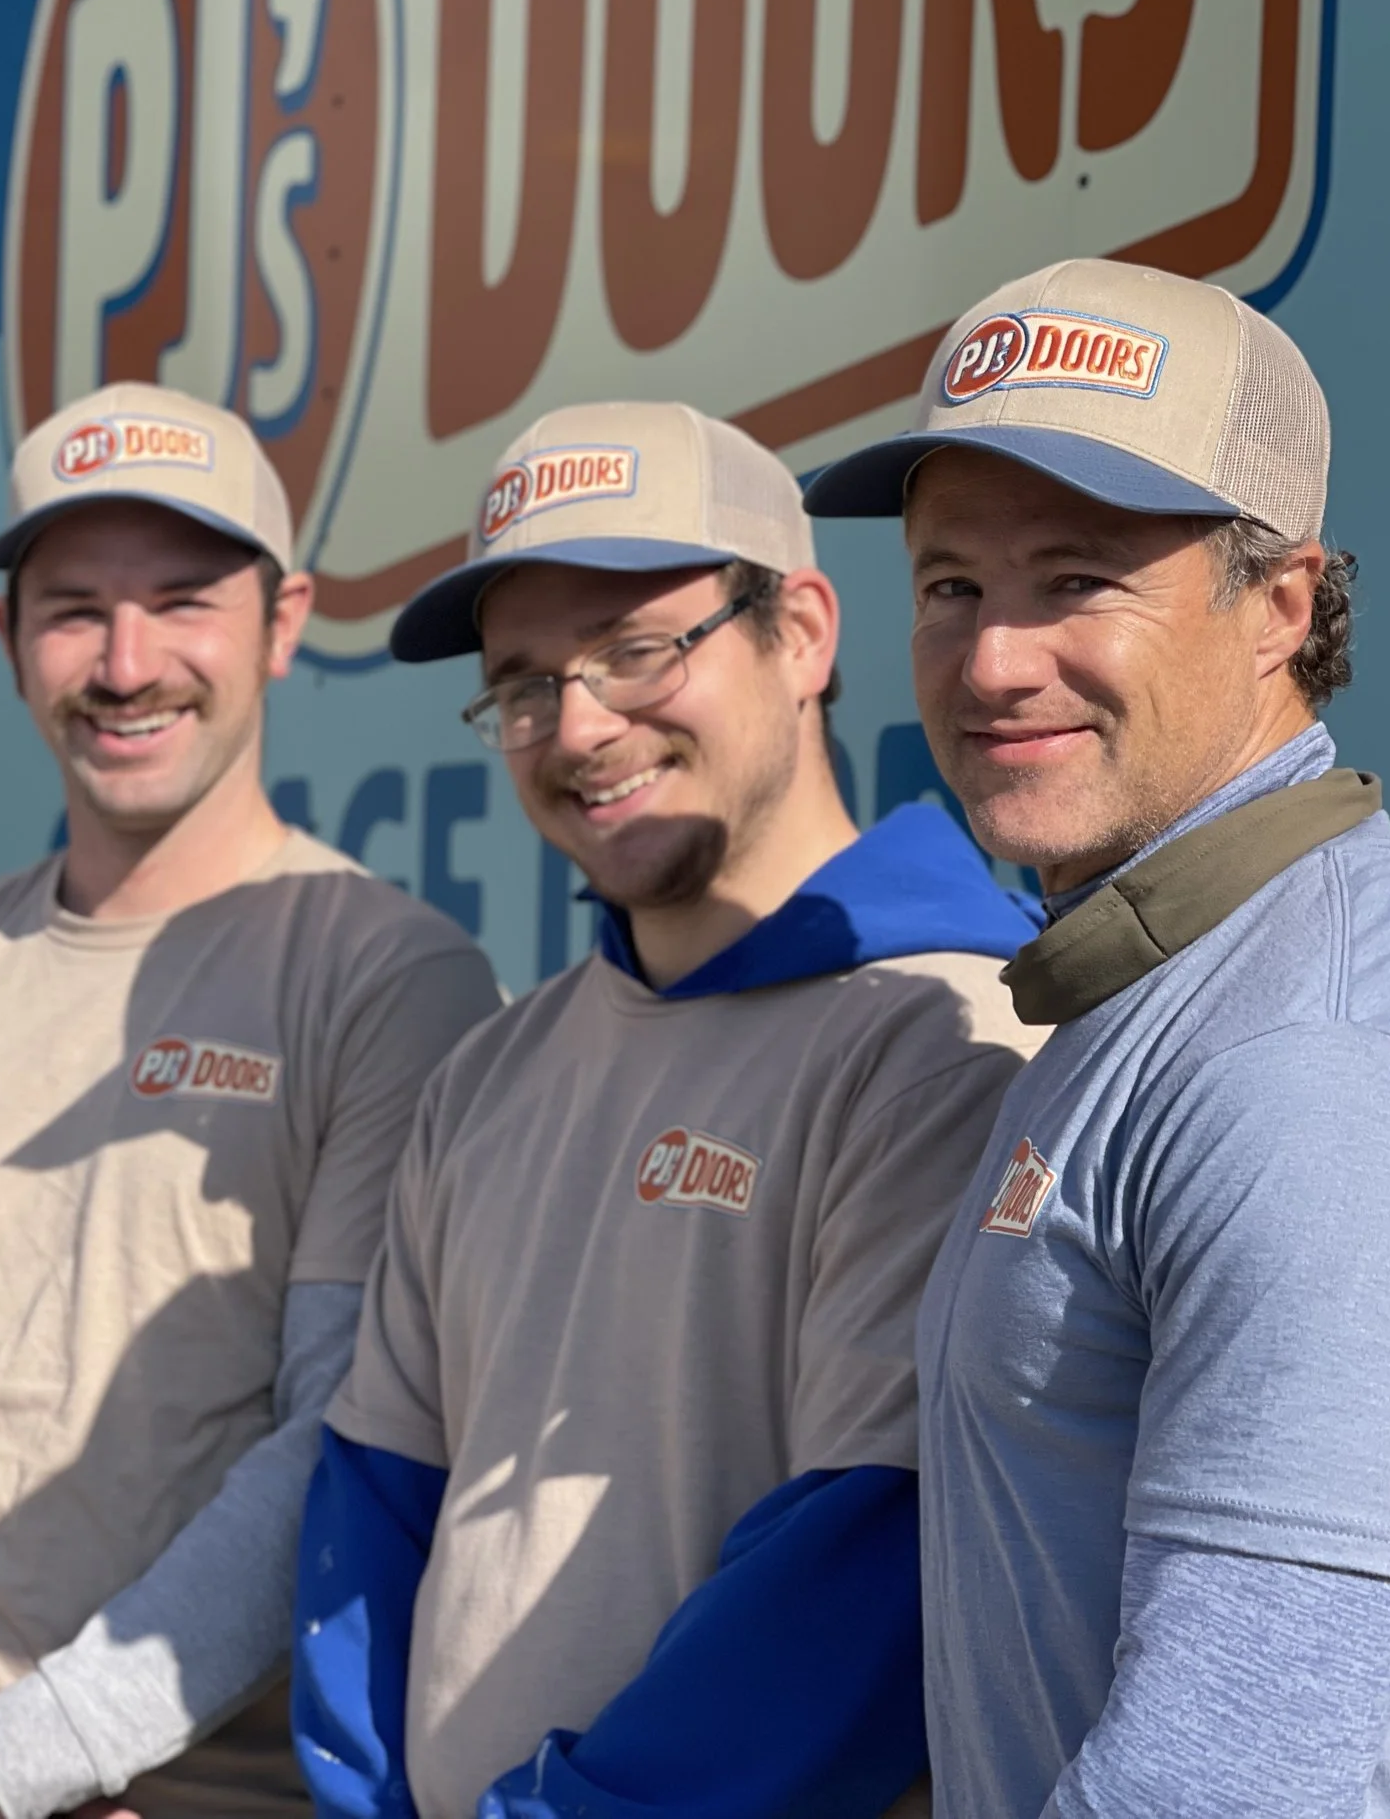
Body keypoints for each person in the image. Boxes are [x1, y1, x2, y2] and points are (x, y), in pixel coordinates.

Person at [804, 257, 1390, 1817]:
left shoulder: (1319, 1060)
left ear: (1281, 604)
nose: (995, 659)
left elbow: (1228, 1777)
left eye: (1075, 579)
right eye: (952, 584)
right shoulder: (1163, 985)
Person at [0, 382, 501, 1819]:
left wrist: (17, 1756)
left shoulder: (392, 978)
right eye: (73, 606)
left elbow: (341, 1426)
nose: (126, 661)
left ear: (283, 623)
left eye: (183, 601)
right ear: (10, 637)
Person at [291, 402, 1045, 1819]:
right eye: (524, 680)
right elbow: (379, 1496)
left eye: (639, 648)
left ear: (804, 633)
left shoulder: (954, 1033)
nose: (578, 726)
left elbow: (871, 1569)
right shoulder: (491, 1073)